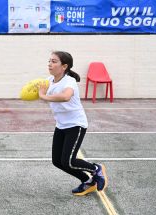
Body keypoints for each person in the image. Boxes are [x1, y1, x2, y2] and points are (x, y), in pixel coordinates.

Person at [39, 51, 108, 196]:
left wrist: (44, 96)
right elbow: (44, 96)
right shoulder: (48, 80)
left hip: (75, 125)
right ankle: (88, 181)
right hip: (61, 125)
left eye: (54, 61)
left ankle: (97, 169)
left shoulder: (69, 81)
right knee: (57, 161)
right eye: (49, 60)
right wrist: (37, 93)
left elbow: (65, 96)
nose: (50, 64)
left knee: (69, 161)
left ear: (64, 66)